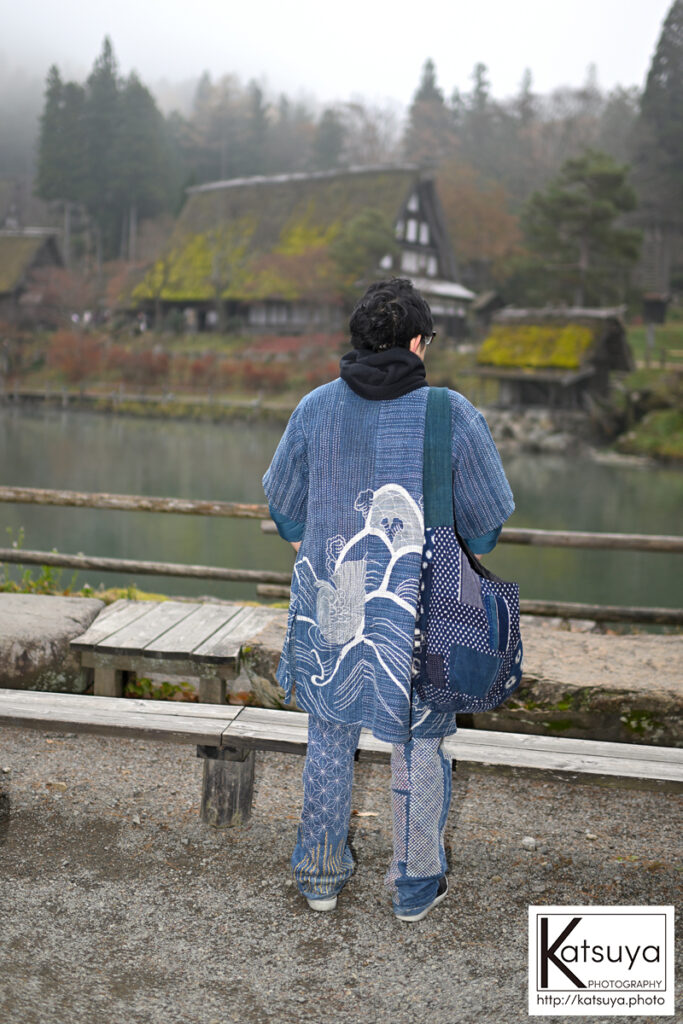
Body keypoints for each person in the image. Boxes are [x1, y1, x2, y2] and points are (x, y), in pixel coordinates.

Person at [262, 278, 514, 922]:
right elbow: (486, 529)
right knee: (420, 745)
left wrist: (318, 544)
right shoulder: (451, 414)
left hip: (333, 608)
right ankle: (415, 885)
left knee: (328, 736)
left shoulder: (315, 408)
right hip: (421, 614)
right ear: (417, 342)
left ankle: (320, 877)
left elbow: (284, 509)